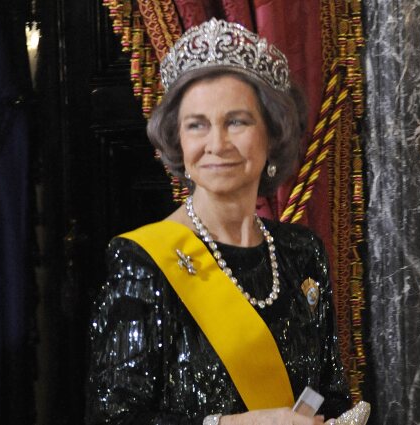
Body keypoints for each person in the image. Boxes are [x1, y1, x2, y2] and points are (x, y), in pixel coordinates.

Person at [87, 18, 352, 424]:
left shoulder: (302, 252)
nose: (217, 144)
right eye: (197, 125)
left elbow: (328, 394)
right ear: (178, 142)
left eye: (237, 121)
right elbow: (114, 419)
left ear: (272, 135)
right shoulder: (143, 264)